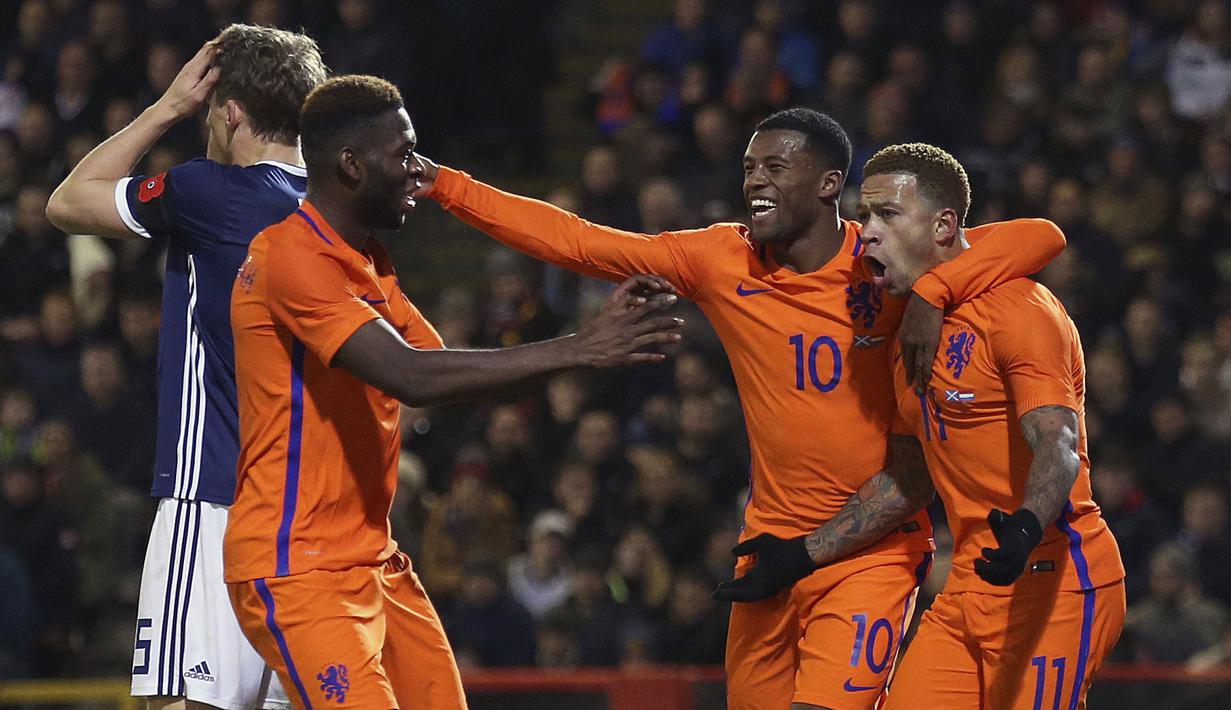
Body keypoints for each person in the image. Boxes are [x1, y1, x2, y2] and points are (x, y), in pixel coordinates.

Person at [417, 107, 1066, 709]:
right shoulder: (719, 259)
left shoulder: (884, 263)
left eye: (774, 168)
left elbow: (1037, 236)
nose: (754, 181)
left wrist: (932, 291)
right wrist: (445, 185)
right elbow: (579, 242)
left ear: (827, 184)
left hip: (870, 550)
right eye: (748, 169)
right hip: (767, 547)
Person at [223, 74, 683, 710]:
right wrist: (580, 347)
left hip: (370, 559)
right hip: (297, 566)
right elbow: (411, 375)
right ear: (351, 166)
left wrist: (577, 343)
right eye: (403, 152)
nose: (417, 169)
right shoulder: (291, 257)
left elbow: (440, 371)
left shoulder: (366, 261)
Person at [45, 25, 327, 710]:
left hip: (215, 499)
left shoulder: (211, 192)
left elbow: (67, 201)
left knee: (179, 703)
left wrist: (166, 106)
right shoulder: (340, 213)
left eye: (208, 109)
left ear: (229, 111)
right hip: (314, 522)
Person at [801, 143, 1125, 708]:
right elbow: (909, 481)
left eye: (888, 214)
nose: (867, 232)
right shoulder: (907, 336)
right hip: (969, 585)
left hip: (1055, 576)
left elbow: (1058, 444)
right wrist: (802, 552)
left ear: (945, 224)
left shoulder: (1020, 309)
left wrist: (1025, 526)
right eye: (864, 215)